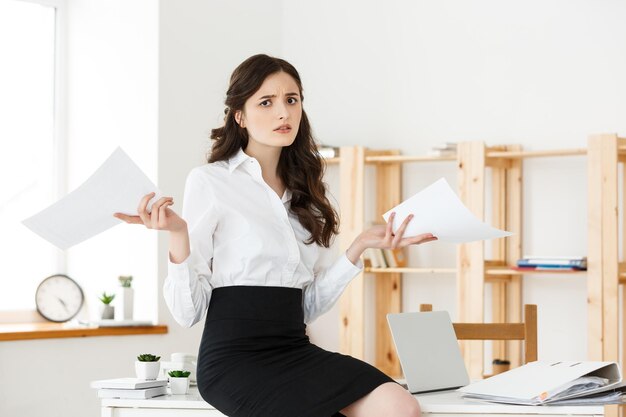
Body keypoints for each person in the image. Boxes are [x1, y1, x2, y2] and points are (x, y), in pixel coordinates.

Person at [115, 54, 437, 417]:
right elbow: (186, 313)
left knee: (400, 406)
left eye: (292, 99)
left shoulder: (309, 195)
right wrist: (178, 235)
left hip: (295, 349)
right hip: (233, 361)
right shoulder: (211, 181)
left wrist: (358, 247)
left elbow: (307, 306)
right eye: (265, 102)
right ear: (239, 115)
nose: (283, 113)